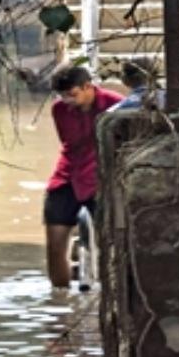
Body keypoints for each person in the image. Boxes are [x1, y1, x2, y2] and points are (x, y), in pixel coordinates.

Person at [44, 65, 123, 288]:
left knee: (111, 243)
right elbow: (68, 143)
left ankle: (110, 293)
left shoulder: (115, 104)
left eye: (72, 95)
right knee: (55, 245)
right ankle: (59, 301)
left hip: (102, 179)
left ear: (88, 87)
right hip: (67, 176)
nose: (67, 101)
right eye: (63, 96)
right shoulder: (59, 109)